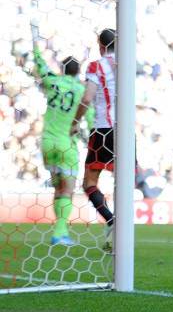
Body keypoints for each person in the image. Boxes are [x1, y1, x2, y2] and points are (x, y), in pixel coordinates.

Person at [31, 44, 85, 245]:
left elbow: (41, 66)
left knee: (58, 189)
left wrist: (36, 48)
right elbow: (88, 113)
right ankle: (60, 233)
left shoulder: (52, 82)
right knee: (67, 190)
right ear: (78, 72)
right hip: (66, 145)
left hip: (47, 143)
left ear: (62, 69)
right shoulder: (80, 90)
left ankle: (59, 232)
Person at [73, 29, 117, 250]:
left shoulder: (96, 65)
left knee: (89, 183)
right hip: (126, 132)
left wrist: (74, 122)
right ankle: (121, 228)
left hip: (103, 129)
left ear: (101, 46)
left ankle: (111, 220)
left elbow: (87, 97)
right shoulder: (129, 66)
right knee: (124, 182)